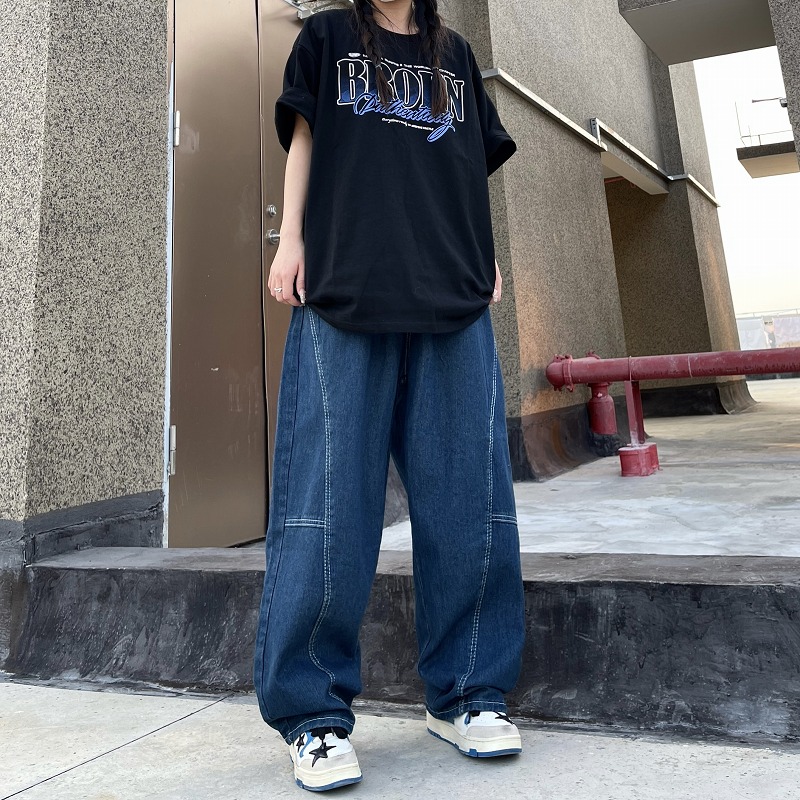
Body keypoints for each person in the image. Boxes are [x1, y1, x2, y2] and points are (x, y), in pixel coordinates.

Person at [253, 0, 525, 791]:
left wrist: (483, 254)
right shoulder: (327, 35)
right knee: (328, 506)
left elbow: (466, 163)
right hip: (345, 286)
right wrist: (291, 241)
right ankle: (312, 716)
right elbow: (305, 139)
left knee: (470, 501)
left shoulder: (456, 54)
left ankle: (467, 695)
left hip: (451, 292)